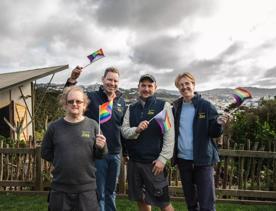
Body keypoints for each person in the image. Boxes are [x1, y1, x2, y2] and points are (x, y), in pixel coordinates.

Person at [65, 66, 126, 211]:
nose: (112, 83)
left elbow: (121, 128)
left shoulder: (121, 102)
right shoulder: (92, 98)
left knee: (111, 192)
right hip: (97, 153)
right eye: (109, 79)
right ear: (103, 80)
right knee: (99, 193)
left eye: (115, 81)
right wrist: (72, 79)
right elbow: (71, 96)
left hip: (116, 154)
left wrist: (126, 153)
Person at [41, 86, 107, 211]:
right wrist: (62, 159)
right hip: (60, 190)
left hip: (86, 191)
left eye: (78, 101)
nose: (74, 104)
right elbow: (45, 152)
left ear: (84, 105)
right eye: (70, 101)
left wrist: (101, 147)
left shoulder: (93, 125)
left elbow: (101, 155)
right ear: (65, 105)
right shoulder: (54, 127)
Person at [172, 72, 229, 211]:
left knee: (207, 203)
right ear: (178, 88)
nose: (184, 87)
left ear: (193, 85)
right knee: (191, 202)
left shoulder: (206, 106)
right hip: (183, 160)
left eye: (187, 84)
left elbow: (214, 132)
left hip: (203, 160)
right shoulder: (176, 108)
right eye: (181, 85)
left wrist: (219, 124)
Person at [121, 74, 175, 211]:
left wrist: (162, 159)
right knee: (141, 200)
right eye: (143, 85)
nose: (146, 89)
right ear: (138, 87)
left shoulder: (163, 106)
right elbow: (124, 131)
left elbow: (170, 135)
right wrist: (136, 130)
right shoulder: (131, 108)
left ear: (155, 88)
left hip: (154, 164)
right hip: (134, 163)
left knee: (164, 203)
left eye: (150, 86)